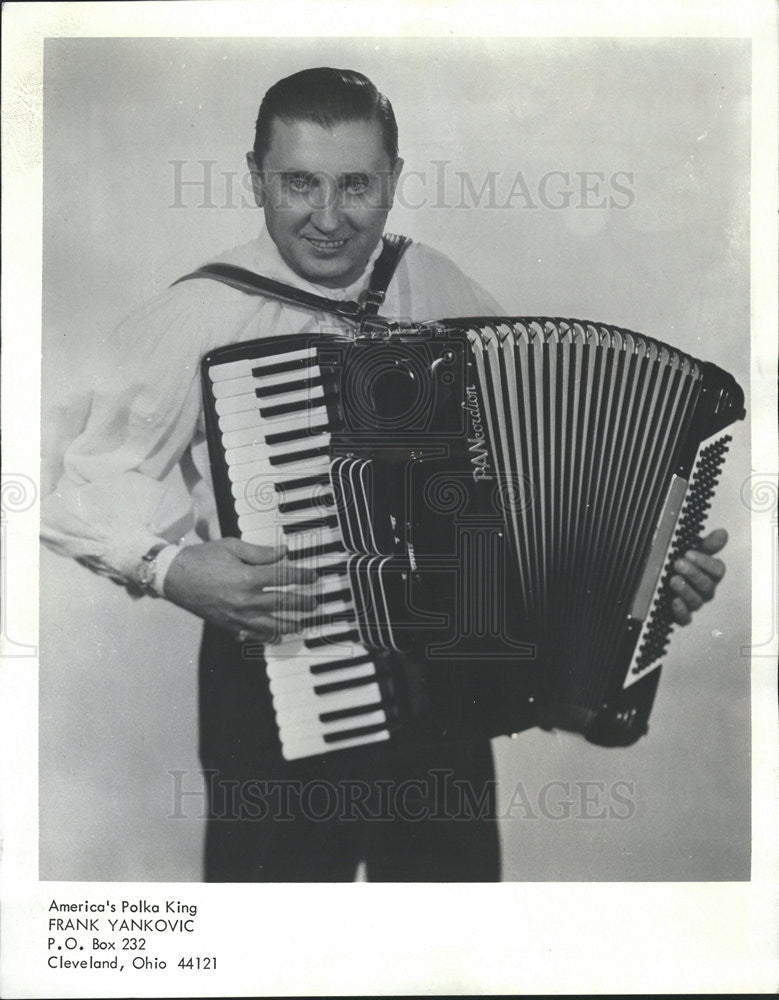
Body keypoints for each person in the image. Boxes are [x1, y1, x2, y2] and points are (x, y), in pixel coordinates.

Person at [41, 67, 728, 881]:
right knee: (270, 952)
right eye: (299, 182)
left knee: (446, 943)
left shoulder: (438, 286)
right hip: (275, 685)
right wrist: (171, 567)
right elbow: (73, 480)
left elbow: (531, 488)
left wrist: (645, 575)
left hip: (444, 703)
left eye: (355, 185)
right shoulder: (199, 313)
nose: (327, 218)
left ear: (393, 181)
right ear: (255, 176)